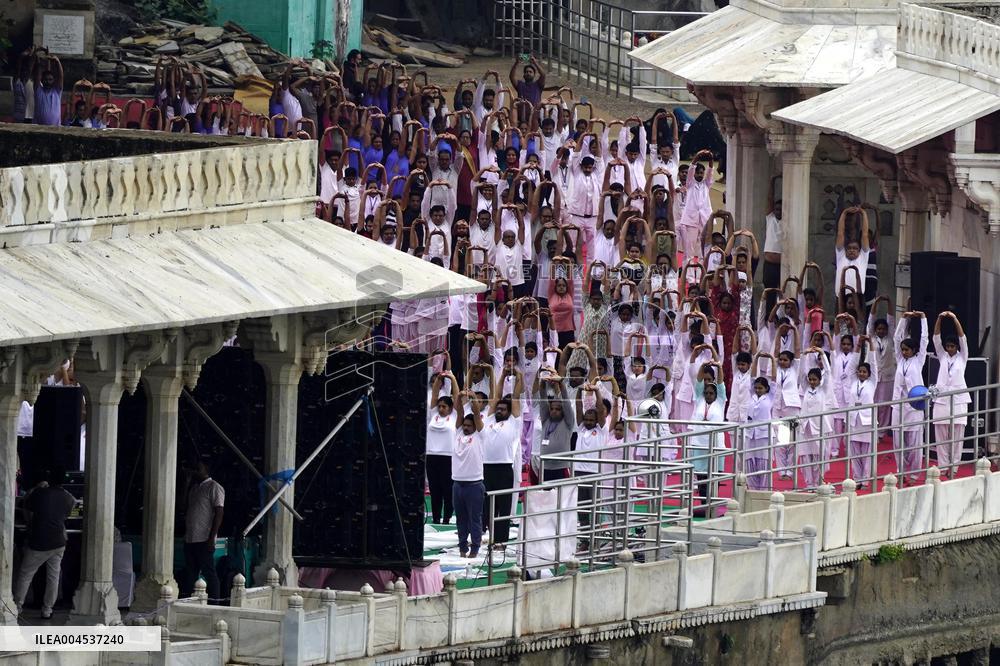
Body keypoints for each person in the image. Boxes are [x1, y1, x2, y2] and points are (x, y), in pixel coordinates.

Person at [13, 467, 75, 619]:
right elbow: (67, 513)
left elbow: (25, 504)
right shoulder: (68, 497)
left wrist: (37, 487)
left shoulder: (40, 493)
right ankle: (47, 610)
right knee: (53, 576)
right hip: (59, 542)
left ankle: (17, 606)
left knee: (26, 574)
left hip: (39, 541)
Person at [932, 312, 970, 478]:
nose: (949, 349)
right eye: (947, 346)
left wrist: (955, 319)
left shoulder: (962, 357)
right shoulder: (942, 356)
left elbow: (963, 338)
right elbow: (936, 338)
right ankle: (942, 466)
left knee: (957, 436)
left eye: (952, 346)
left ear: (957, 347)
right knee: (940, 436)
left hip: (959, 400)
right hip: (941, 400)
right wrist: (939, 319)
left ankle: (953, 468)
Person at [892, 311, 929, 482]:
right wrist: (904, 318)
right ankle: (900, 471)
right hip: (898, 405)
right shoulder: (900, 360)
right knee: (898, 442)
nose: (904, 352)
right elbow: (896, 338)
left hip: (914, 405)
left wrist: (922, 319)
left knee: (914, 443)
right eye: (903, 350)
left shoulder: (919, 360)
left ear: (914, 350)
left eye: (907, 350)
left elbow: (924, 340)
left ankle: (913, 474)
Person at [183, 461, 224, 603]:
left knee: (209, 572)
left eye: (198, 468)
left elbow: (219, 512)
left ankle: (214, 603)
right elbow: (184, 506)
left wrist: (212, 538)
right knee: (191, 573)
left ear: (206, 469)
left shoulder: (214, 487)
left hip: (204, 538)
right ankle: (188, 602)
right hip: (190, 538)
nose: (195, 471)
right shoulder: (194, 488)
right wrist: (187, 484)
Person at [453, 389, 485, 558]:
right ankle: (462, 546)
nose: (465, 428)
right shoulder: (458, 433)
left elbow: (477, 415)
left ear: (475, 426)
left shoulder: (480, 435)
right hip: (457, 484)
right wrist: (459, 396)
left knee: (474, 519)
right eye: (464, 425)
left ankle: (475, 547)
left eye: (468, 426)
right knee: (460, 519)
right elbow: (459, 411)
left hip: (474, 484)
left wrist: (473, 399)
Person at [427, 370, 459, 524]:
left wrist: (452, 378)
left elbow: (458, 398)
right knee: (435, 490)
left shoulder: (454, 416)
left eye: (444, 406)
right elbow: (434, 396)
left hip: (448, 457)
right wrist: (439, 379)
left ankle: (447, 518)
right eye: (439, 406)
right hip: (431, 456)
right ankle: (435, 517)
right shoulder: (434, 414)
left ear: (451, 408)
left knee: (447, 490)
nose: (441, 409)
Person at [32, 53, 64, 127]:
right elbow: (37, 76)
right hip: (38, 128)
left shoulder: (57, 91)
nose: (48, 81)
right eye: (45, 79)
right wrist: (40, 62)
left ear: (53, 81)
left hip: (55, 129)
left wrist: (57, 62)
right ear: (42, 80)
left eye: (50, 79)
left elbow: (60, 76)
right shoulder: (38, 90)